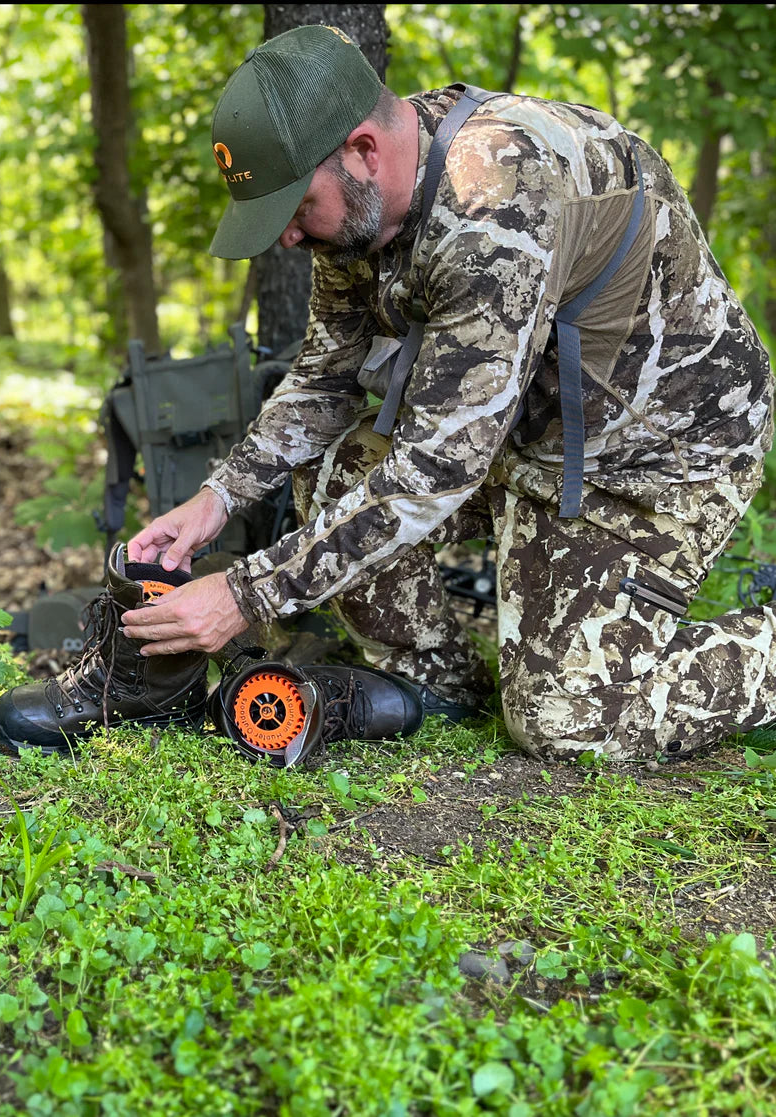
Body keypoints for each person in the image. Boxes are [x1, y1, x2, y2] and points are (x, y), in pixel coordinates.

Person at [123, 23, 774, 762]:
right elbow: (324, 379)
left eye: (297, 207)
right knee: (334, 471)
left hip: (654, 460)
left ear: (364, 151)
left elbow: (434, 470)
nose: (288, 241)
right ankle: (440, 682)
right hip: (526, 436)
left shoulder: (494, 201)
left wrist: (245, 595)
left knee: (567, 722)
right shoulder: (363, 211)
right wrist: (215, 502)